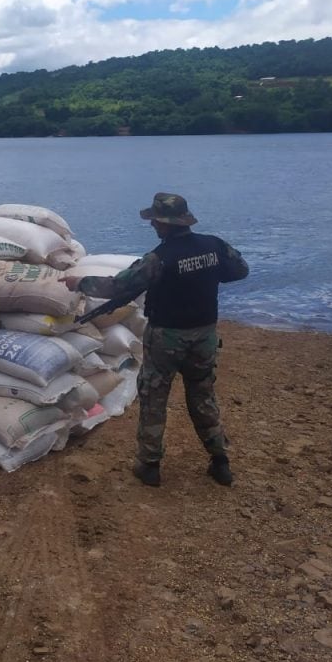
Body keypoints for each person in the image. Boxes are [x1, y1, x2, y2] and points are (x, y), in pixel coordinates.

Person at [60, 193, 249, 487]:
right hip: (204, 336)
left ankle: (149, 466)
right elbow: (240, 271)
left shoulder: (159, 259)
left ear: (164, 223)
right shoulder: (214, 246)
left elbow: (118, 285)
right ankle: (220, 461)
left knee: (153, 398)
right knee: (203, 396)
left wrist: (79, 282)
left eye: (154, 222)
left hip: (166, 338)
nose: (152, 227)